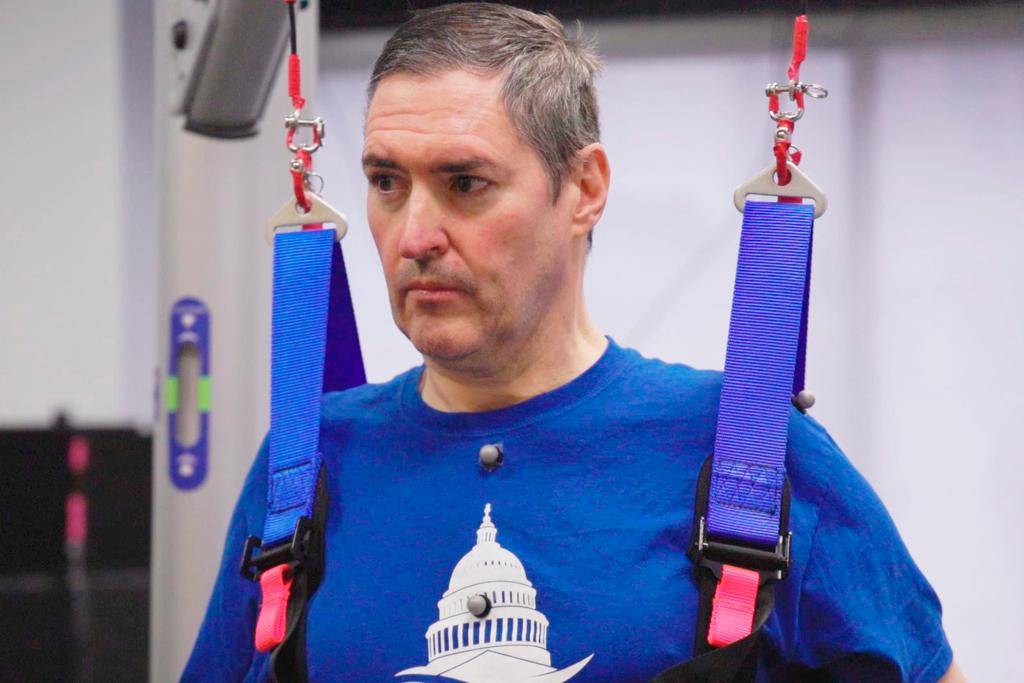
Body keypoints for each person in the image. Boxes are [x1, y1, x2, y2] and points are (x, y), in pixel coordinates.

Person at [184, 4, 964, 681]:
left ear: (584, 188)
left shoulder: (751, 454)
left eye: (465, 182)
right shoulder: (308, 464)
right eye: (387, 181)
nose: (415, 234)